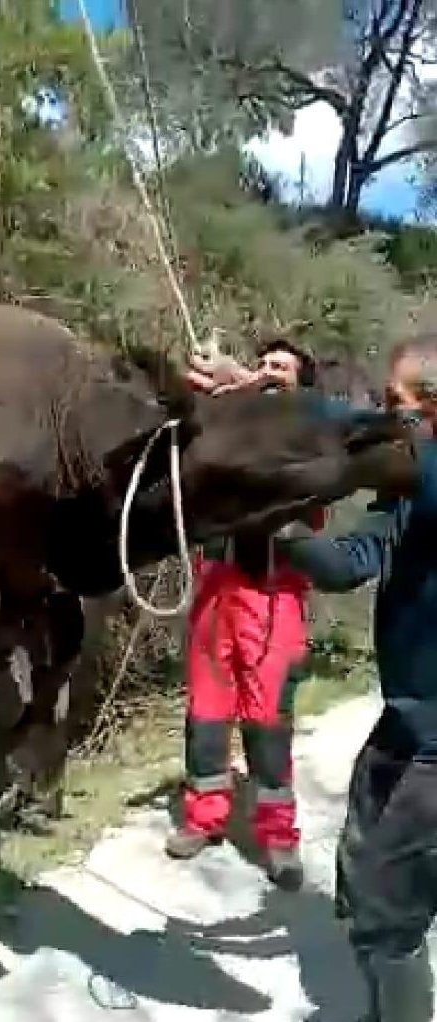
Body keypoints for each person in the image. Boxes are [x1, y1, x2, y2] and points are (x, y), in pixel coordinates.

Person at [273, 334, 437, 1022]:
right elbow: (347, 563)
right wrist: (281, 533)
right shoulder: (405, 490)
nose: (379, 418)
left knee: (391, 881)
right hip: (406, 718)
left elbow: (367, 439)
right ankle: (380, 1015)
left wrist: (285, 400)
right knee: (358, 855)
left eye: (394, 406)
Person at [167, 338, 321, 893]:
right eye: (265, 364)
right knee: (206, 711)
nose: (269, 373)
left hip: (274, 594)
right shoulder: (238, 420)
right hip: (218, 586)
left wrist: (250, 385)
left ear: (303, 384)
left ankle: (278, 836)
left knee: (268, 721)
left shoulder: (313, 431)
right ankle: (203, 817)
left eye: (282, 369)